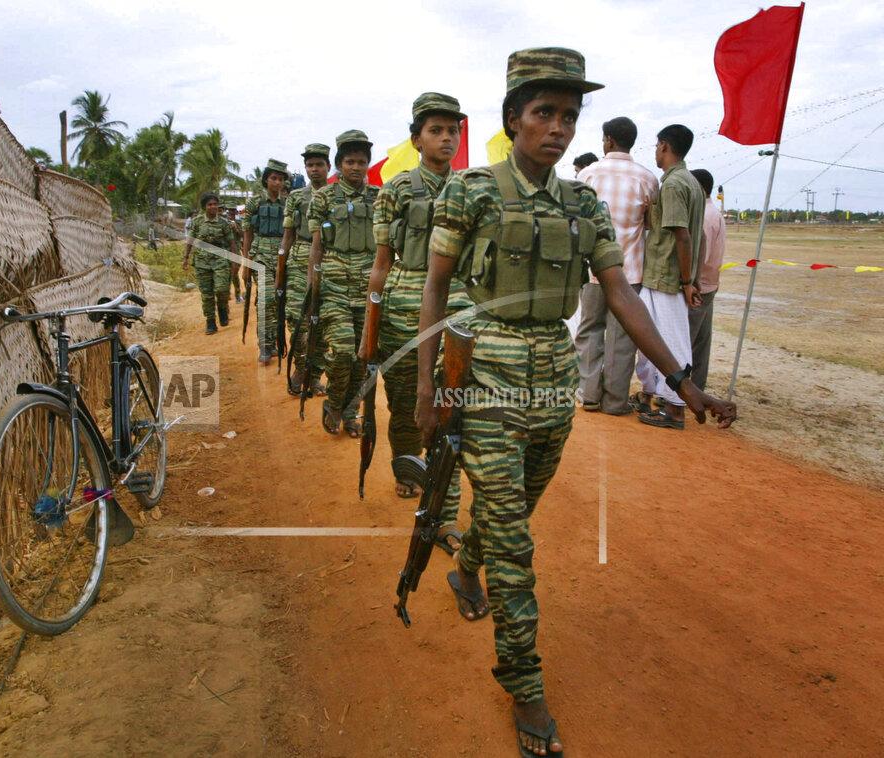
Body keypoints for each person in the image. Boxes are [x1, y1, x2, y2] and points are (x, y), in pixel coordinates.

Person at [415, 47, 737, 757]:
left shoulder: (582, 201)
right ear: (514, 119)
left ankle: (467, 565)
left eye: (568, 115)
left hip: (554, 385)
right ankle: (525, 684)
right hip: (488, 382)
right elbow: (436, 290)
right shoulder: (469, 191)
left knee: (514, 510)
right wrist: (427, 388)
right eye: (543, 113)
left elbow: (620, 296)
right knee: (515, 539)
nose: (558, 128)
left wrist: (685, 382)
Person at [362, 92, 466, 549]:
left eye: (453, 130)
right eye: (436, 131)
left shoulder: (472, 187)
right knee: (407, 401)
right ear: (416, 138)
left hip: (459, 307)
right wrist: (371, 327)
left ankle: (441, 512)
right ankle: (406, 465)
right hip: (404, 306)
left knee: (450, 408)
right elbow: (382, 262)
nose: (446, 138)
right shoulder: (397, 189)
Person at [575, 117, 659, 414]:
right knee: (623, 337)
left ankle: (589, 394)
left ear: (608, 140)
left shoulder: (587, 174)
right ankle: (615, 401)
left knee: (589, 330)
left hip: (592, 269)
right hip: (629, 272)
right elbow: (649, 224)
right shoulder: (648, 179)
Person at [631, 124, 706, 430]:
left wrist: (687, 282)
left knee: (672, 341)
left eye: (656, 146)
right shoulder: (689, 182)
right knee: (649, 338)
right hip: (662, 275)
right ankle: (654, 393)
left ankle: (675, 407)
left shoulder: (675, 185)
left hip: (667, 275)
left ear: (663, 146)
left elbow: (682, 235)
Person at [307, 130, 378, 437]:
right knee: (344, 353)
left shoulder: (379, 196)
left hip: (368, 286)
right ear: (339, 164)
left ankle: (351, 413)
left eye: (361, 162)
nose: (356, 167)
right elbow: (317, 246)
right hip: (334, 285)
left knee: (364, 356)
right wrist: (314, 286)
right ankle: (335, 403)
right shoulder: (323, 197)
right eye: (349, 161)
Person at [282, 144, 332, 395]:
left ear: (328, 167)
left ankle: (313, 377)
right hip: (300, 261)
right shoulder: (296, 197)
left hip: (330, 262)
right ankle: (301, 368)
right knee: (298, 321)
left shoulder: (337, 196)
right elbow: (288, 235)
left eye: (319, 164)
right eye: (310, 165)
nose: (314, 169)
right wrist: (281, 267)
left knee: (323, 325)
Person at [242, 160, 290, 364]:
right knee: (266, 300)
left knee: (279, 304)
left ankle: (275, 342)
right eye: (273, 178)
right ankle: (264, 345)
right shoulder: (254, 203)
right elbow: (247, 233)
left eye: (280, 179)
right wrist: (246, 263)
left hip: (282, 256)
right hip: (260, 254)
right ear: (266, 179)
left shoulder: (288, 203)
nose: (277, 182)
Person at [688, 168, 725, 391]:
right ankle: (697, 386)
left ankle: (676, 394)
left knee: (686, 341)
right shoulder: (714, 213)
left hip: (699, 285)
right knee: (701, 342)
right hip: (710, 284)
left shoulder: (703, 216)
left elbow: (702, 254)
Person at [182, 193, 237, 334]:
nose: (213, 207)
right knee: (206, 294)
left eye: (215, 204)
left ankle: (223, 308)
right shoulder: (197, 222)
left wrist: (234, 261)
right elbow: (190, 241)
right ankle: (211, 322)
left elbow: (231, 242)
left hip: (220, 260)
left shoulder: (224, 223)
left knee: (221, 289)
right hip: (202, 262)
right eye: (210, 204)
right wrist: (186, 258)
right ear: (204, 207)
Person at [223, 205, 245, 303]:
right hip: (225, 249)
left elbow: (243, 235)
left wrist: (236, 228)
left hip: (235, 250)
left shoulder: (239, 222)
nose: (231, 213)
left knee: (235, 272)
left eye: (233, 211)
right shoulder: (223, 222)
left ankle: (237, 294)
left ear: (236, 212)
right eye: (230, 211)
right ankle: (226, 294)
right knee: (225, 272)